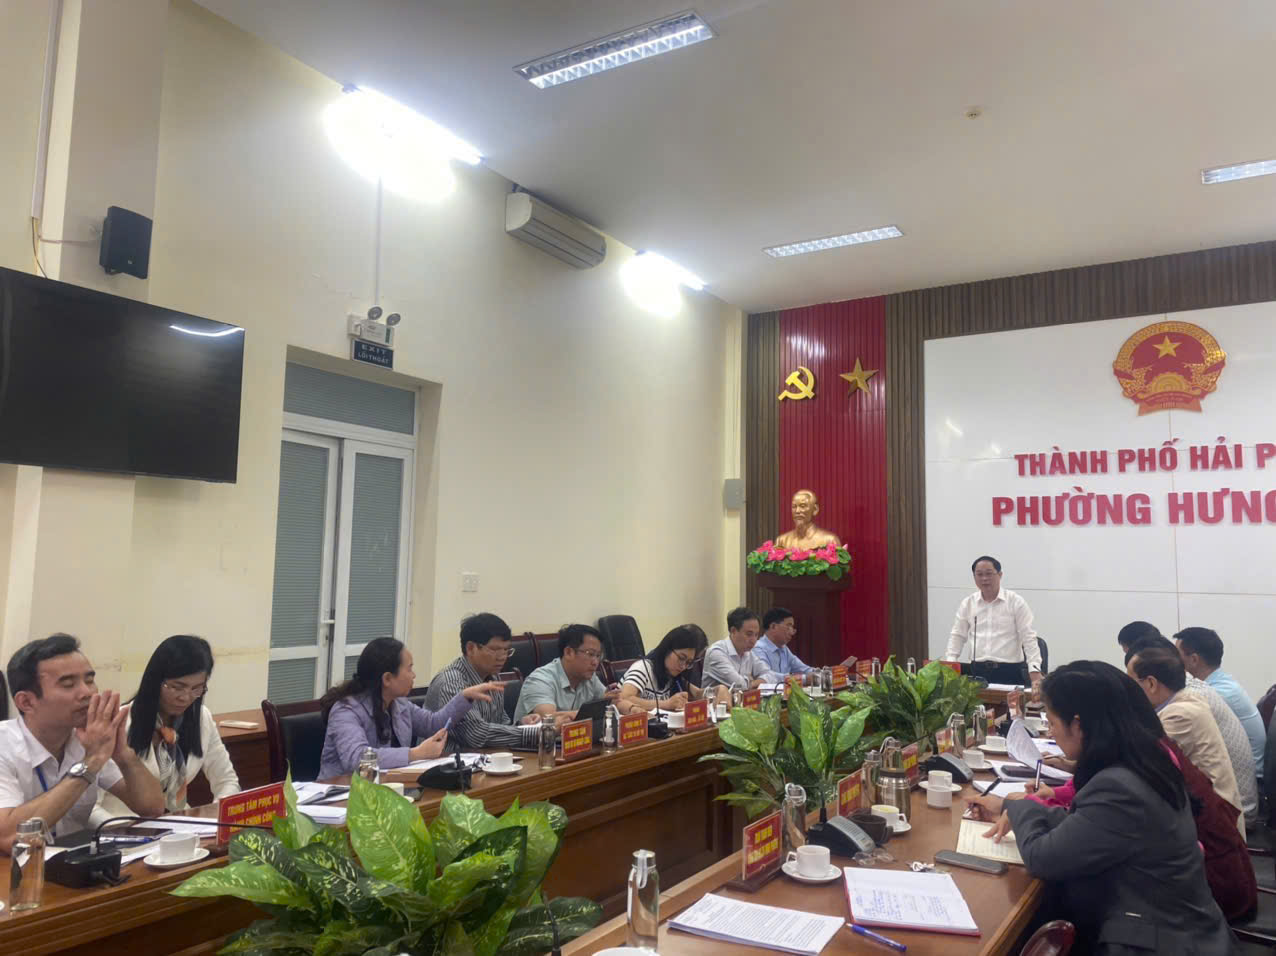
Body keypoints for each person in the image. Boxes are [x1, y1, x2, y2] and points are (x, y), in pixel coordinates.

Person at [966, 661, 1235, 953]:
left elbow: (1042, 857)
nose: (1051, 733)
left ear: (1078, 725)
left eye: (1053, 723)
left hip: (1156, 944)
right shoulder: (1142, 762)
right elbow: (1088, 825)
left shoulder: (1120, 786)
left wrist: (1021, 809)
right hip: (1174, 929)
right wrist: (1008, 804)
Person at [0, 635, 164, 852]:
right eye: (68, 685)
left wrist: (123, 753)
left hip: (72, 862)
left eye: (89, 680)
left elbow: (152, 808)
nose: (87, 693)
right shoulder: (4, 746)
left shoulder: (86, 738)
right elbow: (9, 837)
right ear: (26, 702)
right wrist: (91, 762)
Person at [1124, 628, 1257, 826]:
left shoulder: (1182, 713)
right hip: (1219, 807)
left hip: (1223, 819)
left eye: (1131, 682)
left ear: (1151, 683)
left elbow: (1139, 759)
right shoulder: (1184, 693)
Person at [319, 637, 500, 779]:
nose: (414, 675)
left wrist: (465, 697)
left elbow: (433, 724)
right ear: (387, 678)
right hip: (341, 795)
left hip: (388, 787)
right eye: (409, 669)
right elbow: (356, 759)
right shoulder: (345, 710)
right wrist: (415, 754)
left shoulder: (399, 704)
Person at [99, 635, 239, 818]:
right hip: (123, 825)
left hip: (182, 825)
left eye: (197, 688)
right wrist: (121, 831)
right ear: (155, 680)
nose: (185, 697)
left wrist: (217, 819)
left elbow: (227, 781)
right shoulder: (119, 724)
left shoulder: (201, 718)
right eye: (177, 687)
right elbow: (91, 807)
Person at [424, 613, 540, 751]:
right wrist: (534, 733)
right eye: (495, 650)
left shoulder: (493, 677)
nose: (503, 657)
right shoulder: (451, 682)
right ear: (470, 648)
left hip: (485, 758)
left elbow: (500, 725)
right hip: (447, 761)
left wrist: (522, 724)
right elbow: (476, 734)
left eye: (506, 650)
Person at [1175, 627, 1266, 779]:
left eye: (1177, 655)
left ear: (1194, 660)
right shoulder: (1221, 683)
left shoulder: (1217, 694)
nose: (1173, 661)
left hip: (1249, 781)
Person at [943, 555, 1041, 688]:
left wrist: (1034, 671)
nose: (984, 578)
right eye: (979, 574)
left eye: (989, 573)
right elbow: (957, 636)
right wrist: (950, 664)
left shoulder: (1015, 602)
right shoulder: (968, 603)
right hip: (977, 671)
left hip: (1009, 671)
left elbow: (1028, 637)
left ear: (1000, 575)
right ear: (974, 577)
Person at [513, 624, 630, 723]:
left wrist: (633, 709)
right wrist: (597, 710)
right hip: (538, 743)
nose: (595, 662)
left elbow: (613, 703)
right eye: (590, 654)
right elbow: (548, 719)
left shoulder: (589, 677)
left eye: (598, 656)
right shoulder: (540, 679)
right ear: (569, 652)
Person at [620, 626, 713, 712]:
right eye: (681, 658)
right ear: (667, 649)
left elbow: (697, 693)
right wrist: (666, 704)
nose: (683, 666)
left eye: (689, 662)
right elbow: (624, 698)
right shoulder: (643, 668)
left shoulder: (672, 674)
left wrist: (715, 691)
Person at [701, 607, 769, 693]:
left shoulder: (749, 653)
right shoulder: (716, 652)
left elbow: (769, 675)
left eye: (756, 635)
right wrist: (752, 681)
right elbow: (739, 685)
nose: (754, 640)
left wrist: (751, 683)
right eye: (749, 634)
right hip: (717, 701)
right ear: (733, 631)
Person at [753, 608, 812, 680]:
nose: (792, 632)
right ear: (773, 626)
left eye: (792, 627)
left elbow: (805, 669)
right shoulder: (758, 648)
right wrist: (804, 679)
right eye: (788, 626)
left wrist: (820, 673)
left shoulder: (784, 648)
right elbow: (768, 676)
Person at [774, 490, 842, 550]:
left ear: (815, 510)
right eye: (794, 507)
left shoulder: (829, 541)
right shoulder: (782, 541)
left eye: (802, 506)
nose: (797, 511)